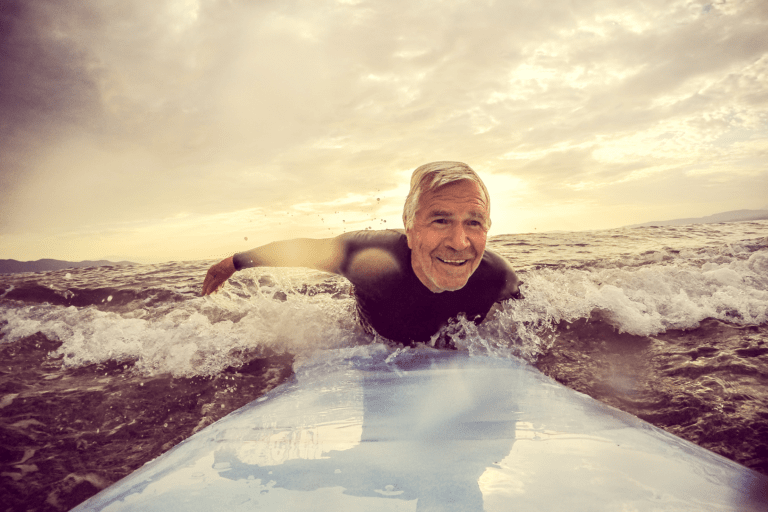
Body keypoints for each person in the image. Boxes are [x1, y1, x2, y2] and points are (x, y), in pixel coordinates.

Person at [201, 161, 522, 345]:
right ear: (410, 226)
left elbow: (530, 319)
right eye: (440, 221)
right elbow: (301, 251)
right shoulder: (369, 258)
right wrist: (234, 263)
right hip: (371, 339)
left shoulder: (497, 277)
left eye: (474, 222)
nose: (460, 242)